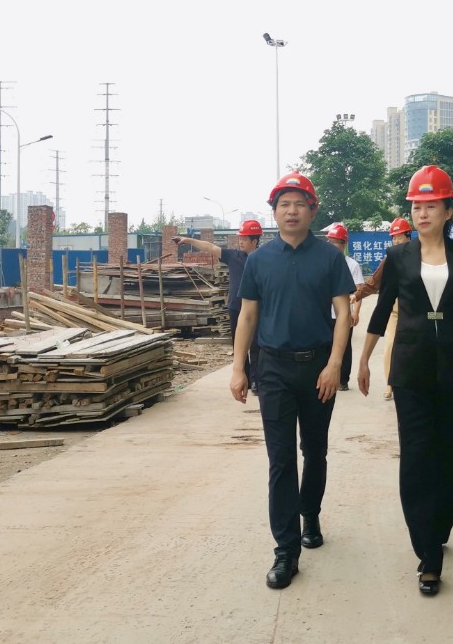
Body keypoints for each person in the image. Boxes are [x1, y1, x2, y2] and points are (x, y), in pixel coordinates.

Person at [357, 165, 453, 597]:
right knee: (416, 457)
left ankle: (440, 527)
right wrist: (364, 359)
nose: (422, 213)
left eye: (431, 205)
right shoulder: (398, 257)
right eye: (417, 206)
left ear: (448, 211)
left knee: (448, 455)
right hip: (410, 370)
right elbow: (382, 309)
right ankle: (428, 554)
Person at [230, 172, 355, 591]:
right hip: (274, 369)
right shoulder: (259, 260)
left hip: (318, 367)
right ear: (274, 212)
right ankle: (285, 551)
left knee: (314, 450)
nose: (292, 211)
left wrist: (334, 364)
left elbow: (344, 314)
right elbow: (248, 315)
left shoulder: (329, 258)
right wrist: (238, 367)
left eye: (300, 203)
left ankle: (310, 514)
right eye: (284, 204)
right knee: (281, 460)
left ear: (312, 210)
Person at [173, 220, 263, 390]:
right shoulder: (233, 256)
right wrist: (188, 240)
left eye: (244, 239)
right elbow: (210, 247)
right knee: (239, 345)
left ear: (254, 241)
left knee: (257, 344)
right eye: (240, 238)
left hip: (256, 308)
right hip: (236, 307)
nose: (240, 242)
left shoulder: (263, 259)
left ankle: (256, 380)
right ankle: (244, 378)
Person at [352, 217, 413, 400]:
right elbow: (374, 283)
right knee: (390, 348)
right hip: (395, 313)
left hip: (415, 313)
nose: (396, 241)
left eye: (400, 237)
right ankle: (389, 383)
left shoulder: (419, 256)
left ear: (408, 236)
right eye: (394, 238)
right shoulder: (390, 260)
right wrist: (357, 295)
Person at [324, 223, 365, 392]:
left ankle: (343, 380)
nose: (331, 245)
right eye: (330, 242)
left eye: (335, 242)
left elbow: (359, 290)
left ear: (343, 244)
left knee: (345, 348)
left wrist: (356, 312)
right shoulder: (322, 262)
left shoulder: (352, 265)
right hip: (325, 314)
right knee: (325, 347)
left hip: (344, 314)